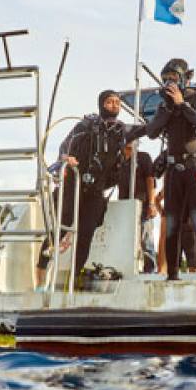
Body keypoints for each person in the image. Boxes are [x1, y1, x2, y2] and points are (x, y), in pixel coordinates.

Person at [57, 89, 146, 274]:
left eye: (117, 102)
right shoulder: (86, 125)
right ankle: (42, 274)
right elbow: (64, 146)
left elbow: (146, 129)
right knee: (60, 228)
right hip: (75, 186)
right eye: (109, 102)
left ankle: (74, 274)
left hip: (96, 192)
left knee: (86, 235)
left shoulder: (121, 130)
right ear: (101, 105)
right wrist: (67, 158)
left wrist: (169, 110)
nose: (114, 105)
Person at [146, 58, 196, 281]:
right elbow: (151, 131)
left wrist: (182, 104)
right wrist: (169, 107)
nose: (169, 82)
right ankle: (172, 276)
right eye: (165, 79)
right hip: (173, 170)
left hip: (195, 168)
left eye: (174, 78)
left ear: (186, 78)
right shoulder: (164, 104)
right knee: (172, 224)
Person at [118, 142, 158, 273]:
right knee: (126, 239)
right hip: (125, 207)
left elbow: (150, 180)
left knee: (146, 240)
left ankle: (150, 270)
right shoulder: (119, 161)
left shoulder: (143, 157)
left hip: (143, 205)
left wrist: (152, 204)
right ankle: (127, 269)